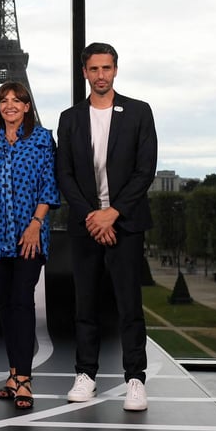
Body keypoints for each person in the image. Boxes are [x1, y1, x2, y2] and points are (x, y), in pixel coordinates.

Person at [56, 42, 157, 412]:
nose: (101, 75)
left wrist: (112, 213)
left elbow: (145, 170)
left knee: (130, 305)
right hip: (87, 225)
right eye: (94, 69)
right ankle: (86, 374)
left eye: (107, 68)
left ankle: (135, 378)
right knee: (85, 305)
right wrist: (93, 216)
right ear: (85, 72)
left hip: (124, 224)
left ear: (116, 70)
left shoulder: (139, 112)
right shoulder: (70, 118)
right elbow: (64, 174)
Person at [0, 81, 59, 411]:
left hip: (30, 236)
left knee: (22, 301)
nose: (10, 104)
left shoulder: (42, 140)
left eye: (17, 100)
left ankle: (24, 377)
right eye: (3, 100)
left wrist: (35, 226)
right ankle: (12, 374)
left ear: (27, 106)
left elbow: (49, 188)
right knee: (5, 306)